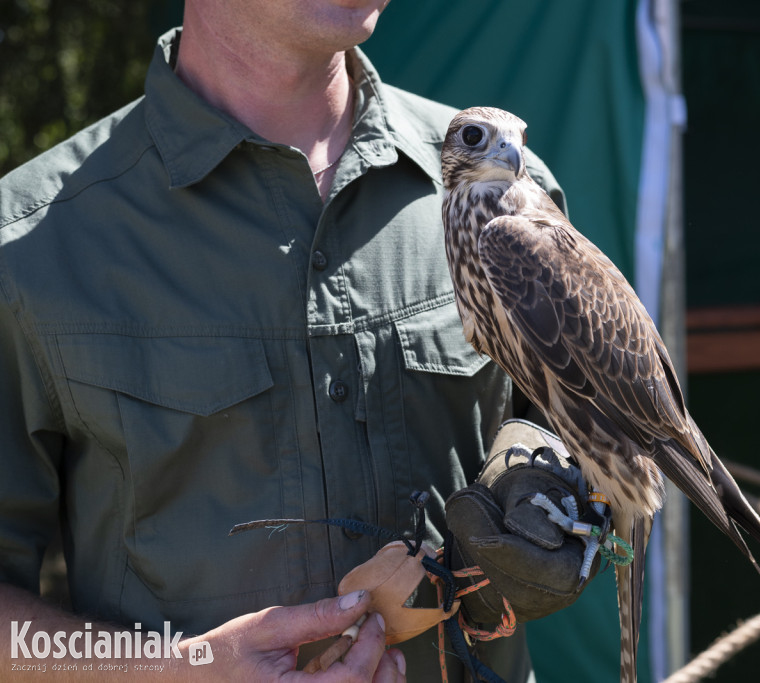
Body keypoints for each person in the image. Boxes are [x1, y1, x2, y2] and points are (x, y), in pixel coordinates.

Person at [0, 1, 569, 680]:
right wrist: (167, 670)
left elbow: (579, 444)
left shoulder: (505, 194)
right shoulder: (33, 248)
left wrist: (550, 487)